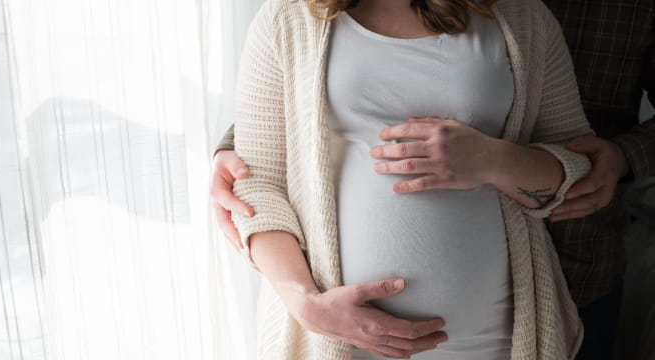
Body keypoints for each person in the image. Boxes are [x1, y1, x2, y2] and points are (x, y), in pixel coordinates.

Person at [211, 0, 655, 359]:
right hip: (339, 335)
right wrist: (306, 304)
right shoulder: (287, 19)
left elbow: (576, 169)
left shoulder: (524, 18)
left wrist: (491, 160)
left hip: (496, 339)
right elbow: (258, 183)